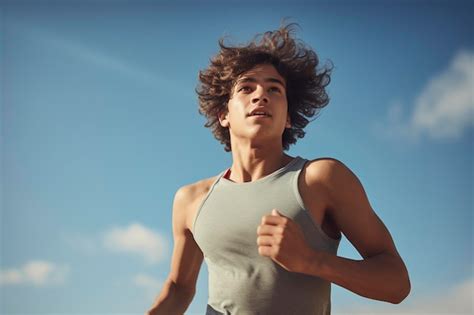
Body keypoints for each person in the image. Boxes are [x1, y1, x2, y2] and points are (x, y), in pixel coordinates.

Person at [146, 23, 411, 315]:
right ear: (223, 114)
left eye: (275, 89)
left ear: (287, 118)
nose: (261, 95)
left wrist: (311, 260)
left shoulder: (321, 179)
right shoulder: (191, 199)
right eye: (247, 87)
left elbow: (397, 284)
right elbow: (179, 289)